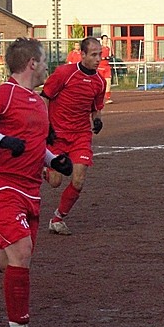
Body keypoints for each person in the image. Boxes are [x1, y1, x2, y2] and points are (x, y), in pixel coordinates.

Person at [0, 37, 73, 327]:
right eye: (43, 62)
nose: (46, 67)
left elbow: (31, 143)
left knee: (5, 260)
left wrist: (53, 159)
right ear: (31, 64)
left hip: (28, 189)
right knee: (21, 251)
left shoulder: (37, 102)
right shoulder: (5, 94)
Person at [42, 37, 106, 235]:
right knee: (55, 182)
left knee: (78, 180)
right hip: (57, 135)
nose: (98, 59)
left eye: (100, 55)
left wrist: (97, 120)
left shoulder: (100, 82)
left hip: (80, 136)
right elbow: (44, 98)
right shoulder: (64, 73)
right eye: (93, 55)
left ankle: (58, 218)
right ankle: (42, 167)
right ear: (83, 54)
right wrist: (46, 127)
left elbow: (96, 108)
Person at [98, 35, 113, 104]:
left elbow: (109, 57)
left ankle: (108, 98)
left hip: (107, 67)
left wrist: (109, 57)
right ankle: (98, 98)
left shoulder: (108, 48)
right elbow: (98, 57)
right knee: (100, 83)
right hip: (101, 67)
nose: (106, 40)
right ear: (102, 40)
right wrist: (104, 58)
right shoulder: (99, 48)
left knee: (108, 82)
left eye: (107, 39)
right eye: (104, 39)